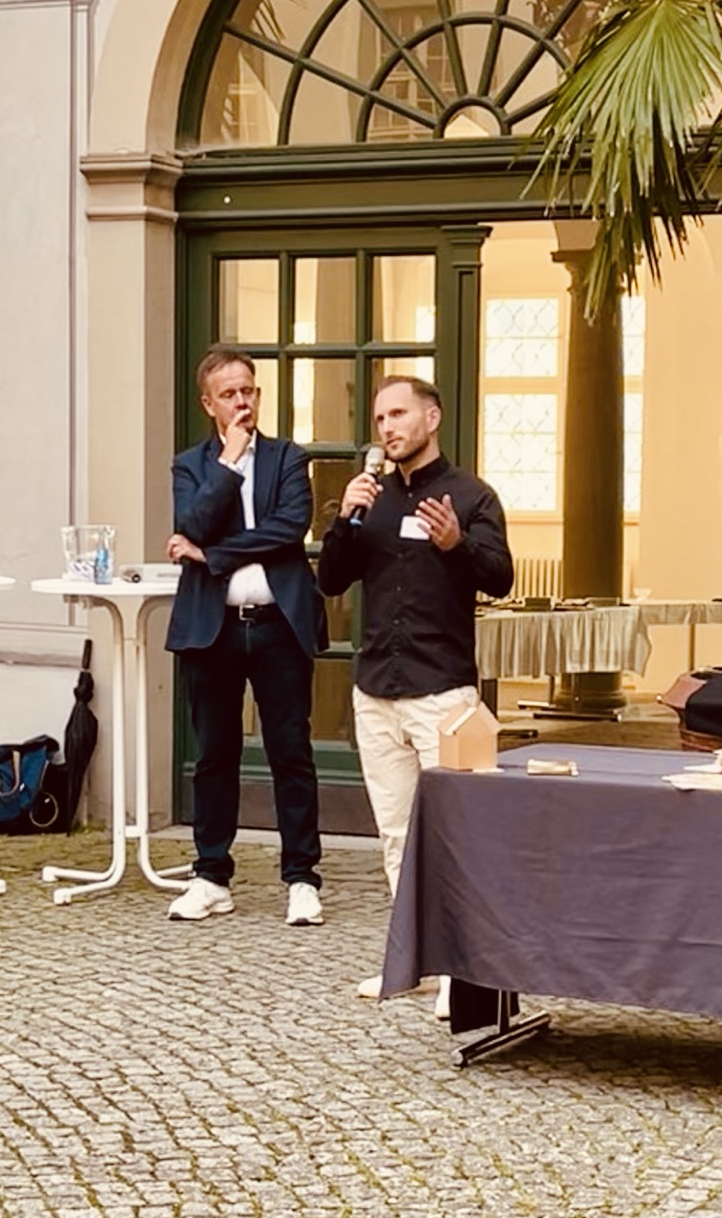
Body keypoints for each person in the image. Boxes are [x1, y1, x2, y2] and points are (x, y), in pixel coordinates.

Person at [317, 375, 514, 1009]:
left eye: (399, 414)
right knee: (399, 834)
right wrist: (345, 516)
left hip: (442, 692)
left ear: (432, 417)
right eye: (380, 419)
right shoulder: (367, 498)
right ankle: (412, 962)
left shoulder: (471, 496)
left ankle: (463, 972)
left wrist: (456, 544)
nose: (388, 428)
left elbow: (501, 577)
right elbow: (330, 580)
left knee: (455, 833)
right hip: (377, 690)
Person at [164, 347, 326, 925]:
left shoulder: (288, 457)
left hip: (279, 624)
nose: (243, 402)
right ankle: (211, 875)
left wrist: (212, 556)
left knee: (291, 751)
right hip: (214, 630)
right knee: (215, 755)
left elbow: (289, 530)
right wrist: (229, 465)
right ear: (209, 403)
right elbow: (192, 524)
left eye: (250, 391)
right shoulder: (191, 465)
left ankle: (302, 878)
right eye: (230, 394)